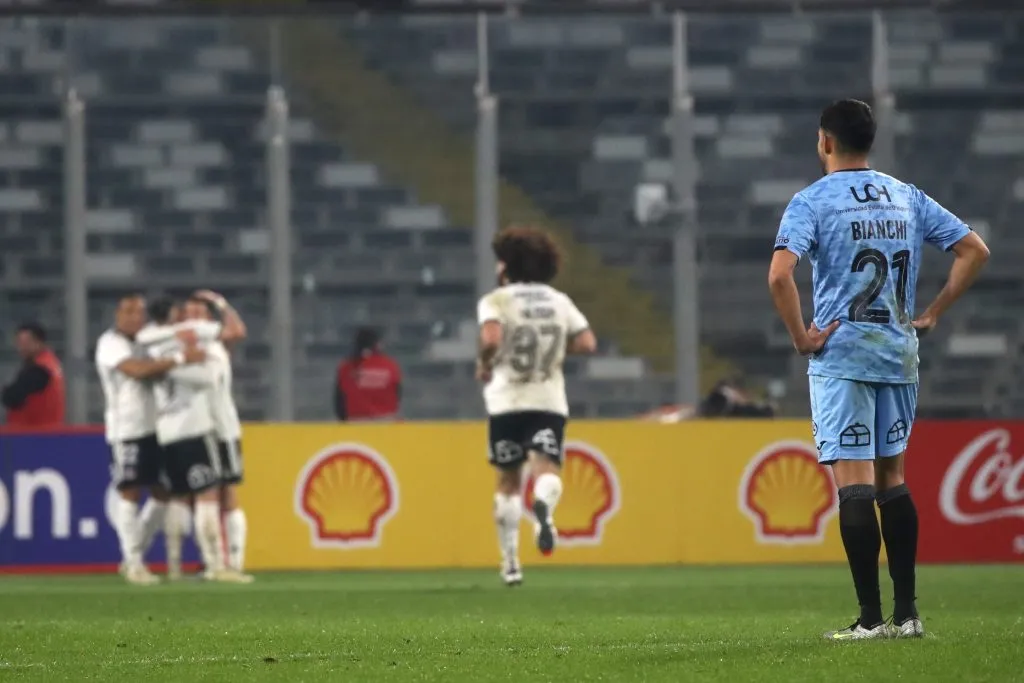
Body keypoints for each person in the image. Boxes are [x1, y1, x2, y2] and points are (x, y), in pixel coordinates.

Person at [769, 99, 990, 640]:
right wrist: (932, 312)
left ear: (825, 141)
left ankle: (870, 620)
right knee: (893, 478)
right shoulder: (906, 196)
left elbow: (779, 276)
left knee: (855, 485)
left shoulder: (812, 201)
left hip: (843, 358)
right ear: (869, 142)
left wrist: (802, 338)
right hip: (897, 354)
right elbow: (974, 250)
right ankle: (908, 615)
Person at [476, 225, 597, 586]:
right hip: (547, 400)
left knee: (508, 481)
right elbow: (587, 343)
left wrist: (484, 363)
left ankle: (511, 563)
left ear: (507, 264)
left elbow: (491, 338)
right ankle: (544, 503)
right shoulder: (558, 301)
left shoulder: (497, 300)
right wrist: (557, 349)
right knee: (546, 469)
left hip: (506, 401)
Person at [134, 290, 247, 578]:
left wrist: (172, 364)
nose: (192, 317)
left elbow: (234, 334)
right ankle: (217, 565)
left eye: (199, 312)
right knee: (207, 495)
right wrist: (186, 359)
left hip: (190, 429)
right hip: (198, 429)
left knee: (184, 495)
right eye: (188, 311)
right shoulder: (192, 347)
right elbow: (207, 377)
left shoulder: (157, 347)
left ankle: (183, 565)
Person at [95, 293, 204, 585]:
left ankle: (134, 556)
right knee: (130, 490)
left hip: (155, 427)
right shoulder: (110, 343)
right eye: (129, 312)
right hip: (126, 429)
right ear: (118, 315)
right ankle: (134, 563)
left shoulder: (145, 340)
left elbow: (159, 364)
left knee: (163, 493)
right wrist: (179, 359)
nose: (135, 318)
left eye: (139, 312)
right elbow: (136, 370)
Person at [2, 322, 65, 428]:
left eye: (26, 343)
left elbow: (12, 397)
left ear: (39, 342)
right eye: (19, 343)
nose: (22, 347)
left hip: (33, 431)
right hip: (48, 429)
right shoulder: (51, 363)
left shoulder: (39, 370)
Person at [334, 328, 402, 421]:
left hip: (355, 423)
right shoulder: (390, 366)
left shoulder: (346, 368)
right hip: (387, 422)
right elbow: (397, 395)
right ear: (377, 345)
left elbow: (340, 404)